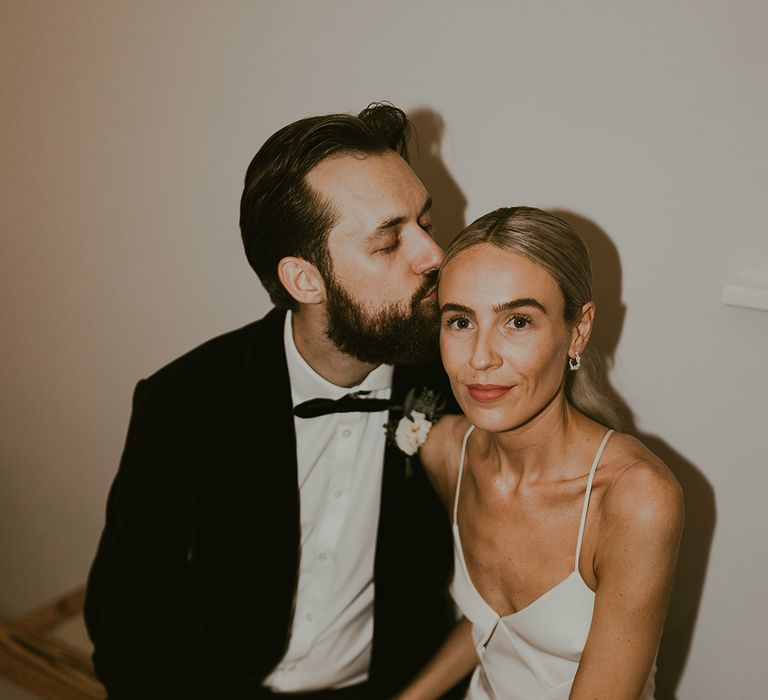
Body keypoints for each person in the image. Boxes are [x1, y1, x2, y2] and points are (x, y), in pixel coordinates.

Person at [84, 103, 463, 700]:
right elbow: (125, 614)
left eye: (426, 223)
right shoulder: (183, 402)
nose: (434, 256)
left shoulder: (461, 381)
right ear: (304, 280)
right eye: (390, 242)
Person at [396, 207, 684, 699]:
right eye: (461, 320)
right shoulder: (448, 453)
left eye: (518, 321)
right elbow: (492, 629)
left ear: (578, 329)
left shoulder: (635, 500)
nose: (481, 357)